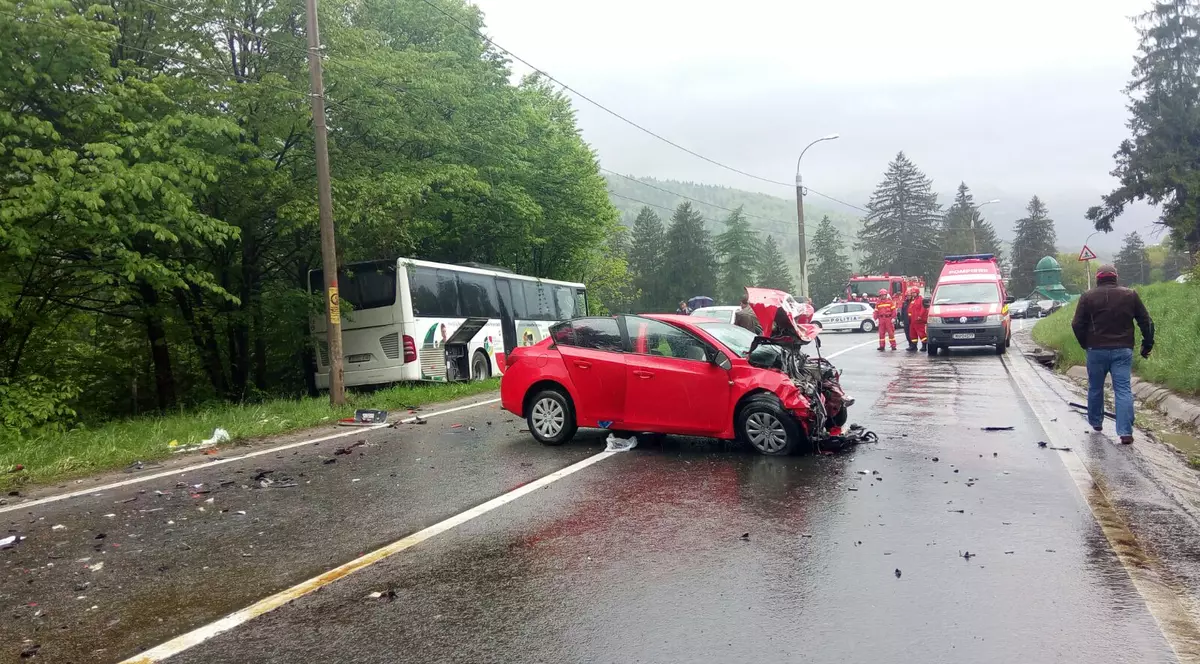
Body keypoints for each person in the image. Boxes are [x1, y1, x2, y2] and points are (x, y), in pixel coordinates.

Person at [1070, 264, 1154, 445]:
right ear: (1115, 277)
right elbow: (1145, 321)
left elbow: (1077, 324)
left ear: (1098, 278)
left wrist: (1086, 343)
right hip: (1123, 349)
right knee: (1123, 389)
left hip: (1096, 350)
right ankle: (1125, 432)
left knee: (1095, 387)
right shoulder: (1130, 295)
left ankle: (1096, 422)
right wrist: (1147, 345)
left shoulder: (1087, 297)